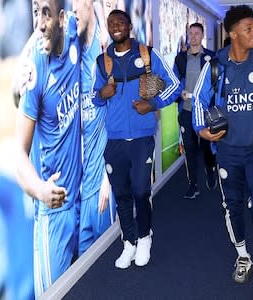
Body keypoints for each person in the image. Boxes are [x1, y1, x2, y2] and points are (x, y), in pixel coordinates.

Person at [192, 5, 253, 300]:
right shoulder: (215, 66)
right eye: (248, 28)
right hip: (227, 153)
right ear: (233, 33)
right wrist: (201, 129)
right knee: (232, 206)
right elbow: (199, 100)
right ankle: (243, 256)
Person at [91, 9, 180, 269]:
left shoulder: (147, 54)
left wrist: (153, 104)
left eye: (120, 22)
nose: (116, 27)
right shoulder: (102, 62)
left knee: (141, 191)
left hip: (142, 139)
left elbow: (173, 85)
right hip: (115, 141)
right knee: (121, 194)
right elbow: (94, 98)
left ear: (129, 26)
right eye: (111, 24)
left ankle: (144, 238)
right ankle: (128, 242)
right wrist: (102, 93)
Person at [14, 0, 82, 296]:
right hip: (53, 214)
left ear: (62, 18)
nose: (40, 22)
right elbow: (17, 153)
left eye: (46, 13)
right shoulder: (35, 68)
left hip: (81, 200)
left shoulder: (75, 38)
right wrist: (39, 190)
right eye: (35, 13)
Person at [72, 0, 116, 256]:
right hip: (78, 192)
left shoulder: (103, 54)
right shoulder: (71, 52)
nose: (75, 8)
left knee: (105, 263)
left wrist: (107, 180)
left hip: (101, 188)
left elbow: (118, 126)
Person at [173, 22, 217, 199]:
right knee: (190, 149)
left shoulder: (212, 57)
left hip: (206, 112)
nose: (193, 36)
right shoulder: (180, 58)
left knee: (207, 147)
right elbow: (174, 82)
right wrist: (179, 94)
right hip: (187, 110)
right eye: (190, 33)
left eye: (197, 33)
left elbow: (217, 82)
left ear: (202, 35)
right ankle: (193, 185)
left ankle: (211, 169)